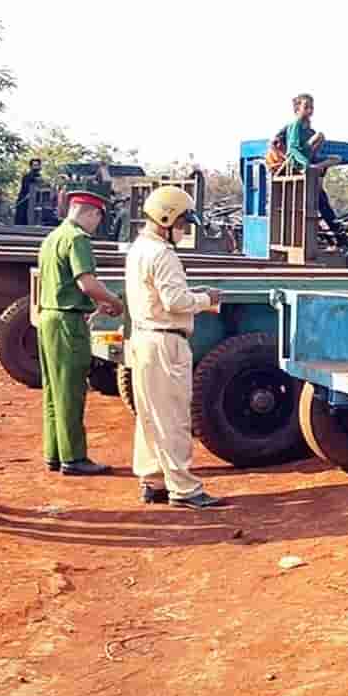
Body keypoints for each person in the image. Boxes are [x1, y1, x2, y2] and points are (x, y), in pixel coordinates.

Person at [125, 186, 223, 508]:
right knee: (173, 418)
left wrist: (191, 293)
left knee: (151, 416)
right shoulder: (162, 254)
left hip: (144, 338)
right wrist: (206, 300)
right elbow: (175, 300)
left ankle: (153, 480)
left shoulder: (140, 248)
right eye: (182, 222)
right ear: (167, 218)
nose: (184, 229)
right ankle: (184, 489)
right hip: (166, 342)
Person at [36, 190, 125, 476]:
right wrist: (113, 301)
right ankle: (73, 458)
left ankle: (55, 452)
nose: (97, 225)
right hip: (67, 322)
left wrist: (99, 302)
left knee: (54, 390)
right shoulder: (77, 239)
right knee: (71, 391)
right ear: (91, 213)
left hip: (48, 317)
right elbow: (87, 283)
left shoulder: (52, 238)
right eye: (98, 217)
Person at [281, 92, 342, 233]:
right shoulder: (295, 125)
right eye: (306, 107)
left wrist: (320, 162)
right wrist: (307, 166)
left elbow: (313, 150)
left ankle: (318, 171)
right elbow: (293, 150)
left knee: (336, 158)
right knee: (321, 201)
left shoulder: (308, 128)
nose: (310, 110)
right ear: (297, 109)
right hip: (298, 164)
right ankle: (338, 232)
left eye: (311, 107)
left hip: (310, 161)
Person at [15, 158, 44, 225]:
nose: (36, 166)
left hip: (35, 203)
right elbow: (27, 188)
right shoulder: (27, 176)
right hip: (24, 201)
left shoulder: (40, 177)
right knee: (22, 219)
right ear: (31, 166)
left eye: (37, 165)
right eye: (34, 165)